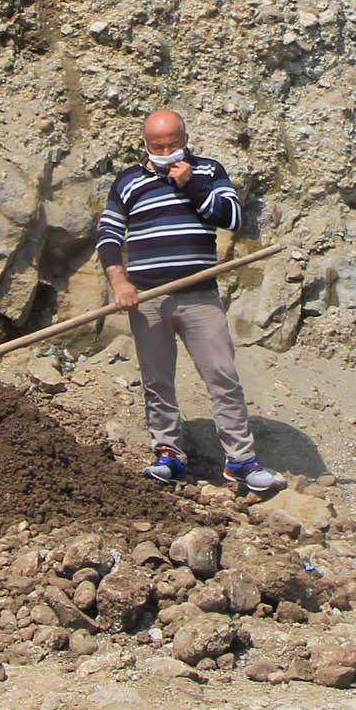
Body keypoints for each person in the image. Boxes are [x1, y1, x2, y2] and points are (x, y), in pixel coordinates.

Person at [101, 110, 282, 493]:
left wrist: (190, 186)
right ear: (145, 143)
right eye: (157, 146)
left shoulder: (208, 171)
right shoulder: (129, 180)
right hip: (148, 299)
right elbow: (109, 234)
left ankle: (241, 462)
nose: (166, 151)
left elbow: (232, 217)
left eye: (172, 143)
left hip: (199, 295)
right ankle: (169, 455)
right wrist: (119, 281)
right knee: (157, 379)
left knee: (222, 375)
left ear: (185, 137)